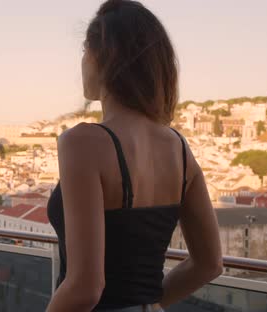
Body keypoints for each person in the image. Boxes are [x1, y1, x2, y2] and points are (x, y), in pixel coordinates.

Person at [46, 1, 223, 311]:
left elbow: (85, 287)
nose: (82, 63)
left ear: (103, 57)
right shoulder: (179, 149)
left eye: (84, 51)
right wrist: (146, 304)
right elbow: (209, 264)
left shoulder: (82, 142)